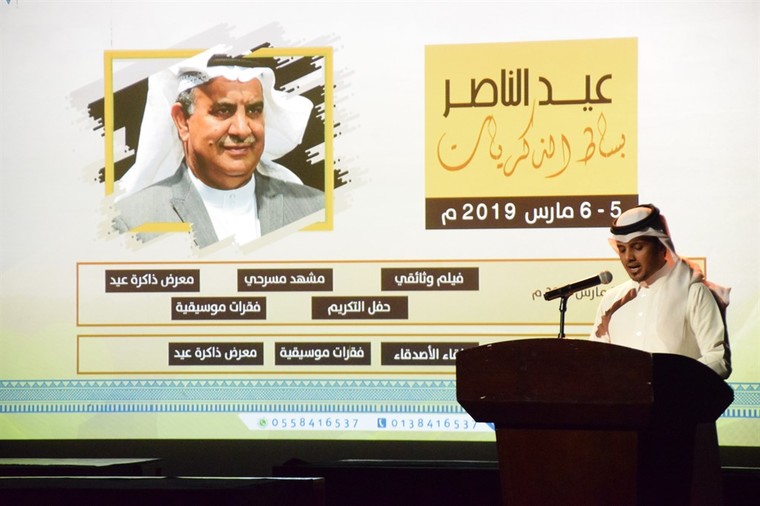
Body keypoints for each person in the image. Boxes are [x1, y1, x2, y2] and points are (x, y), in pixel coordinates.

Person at [112, 52, 324, 248]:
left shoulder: (316, 209)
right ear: (182, 121)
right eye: (223, 110)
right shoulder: (133, 223)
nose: (242, 129)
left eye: (253, 110)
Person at [590, 203, 731, 379]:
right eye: (622, 249)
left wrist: (671, 380)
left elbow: (719, 359)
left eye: (638, 247)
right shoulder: (612, 300)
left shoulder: (693, 292)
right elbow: (594, 361)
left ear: (661, 246)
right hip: (623, 397)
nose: (628, 258)